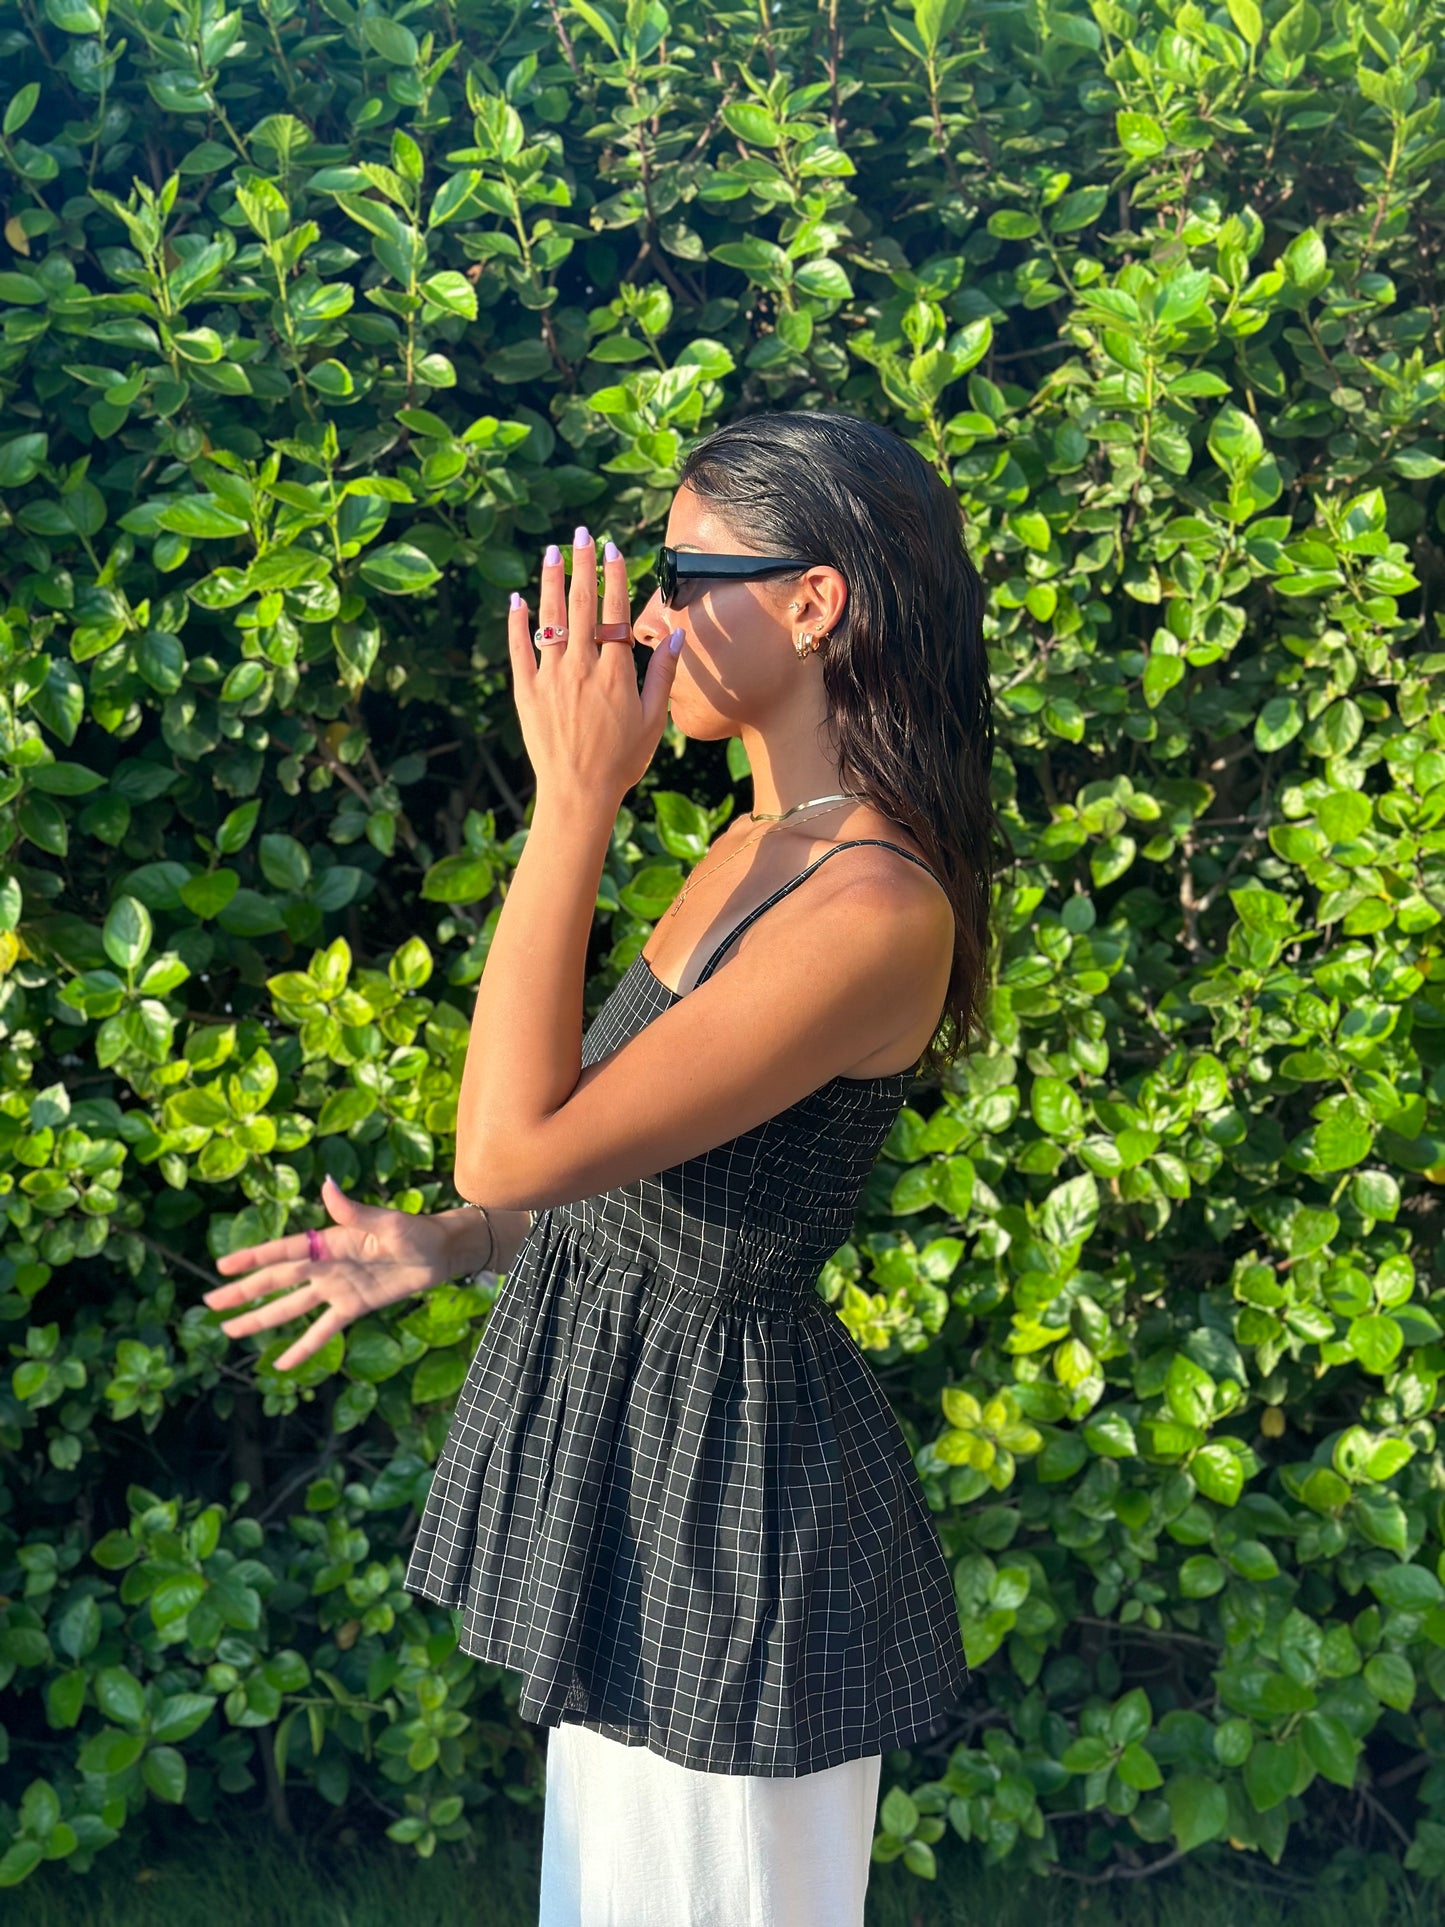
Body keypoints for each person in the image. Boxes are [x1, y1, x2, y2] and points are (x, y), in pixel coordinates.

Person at [205, 408, 1000, 1925]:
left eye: (688, 574)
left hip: (730, 1511)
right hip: (649, 1469)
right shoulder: (766, 845)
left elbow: (514, 1134)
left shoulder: (872, 906)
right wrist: (455, 1241)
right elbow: (617, 1171)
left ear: (813, 601)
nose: (643, 618)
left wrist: (574, 796)